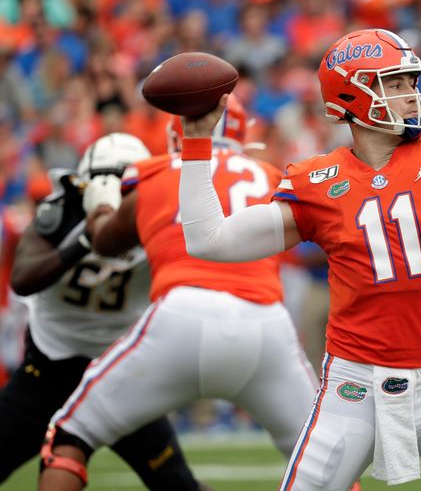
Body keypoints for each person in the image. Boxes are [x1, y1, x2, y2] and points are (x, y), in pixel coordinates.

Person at [178, 28, 421, 490]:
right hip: (354, 386)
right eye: (396, 83)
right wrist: (196, 145)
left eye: (412, 81)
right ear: (350, 94)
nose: (412, 94)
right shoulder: (318, 181)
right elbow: (210, 241)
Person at [37, 108, 320, 491]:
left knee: (69, 440)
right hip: (265, 324)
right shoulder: (270, 176)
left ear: (176, 135)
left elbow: (105, 243)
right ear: (241, 135)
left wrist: (101, 208)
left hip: (180, 317)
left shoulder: (154, 171)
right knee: (324, 459)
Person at [2, 133, 208, 490]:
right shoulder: (61, 213)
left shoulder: (154, 219)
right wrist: (85, 239)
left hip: (118, 374)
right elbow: (22, 280)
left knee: (177, 484)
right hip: (50, 374)